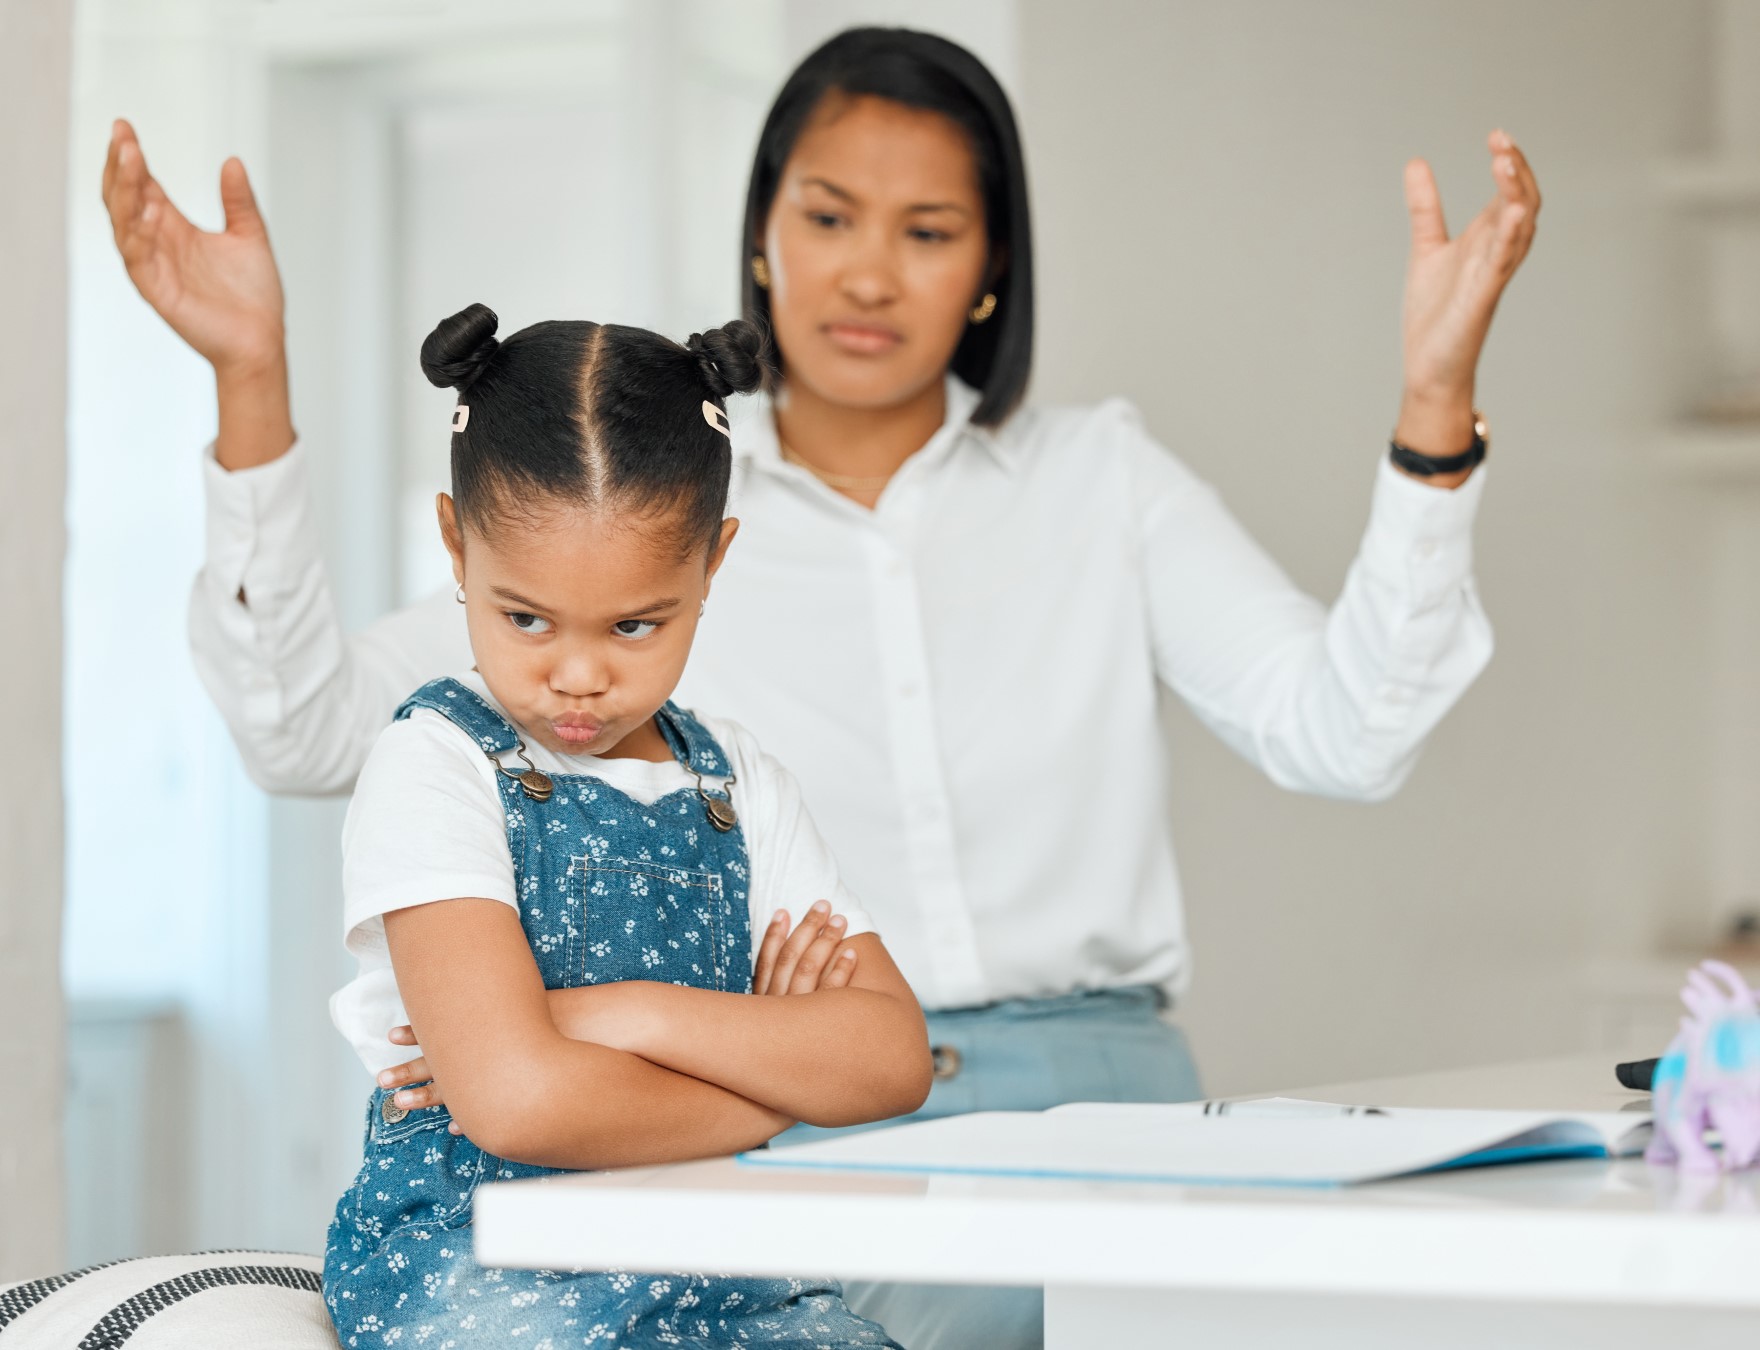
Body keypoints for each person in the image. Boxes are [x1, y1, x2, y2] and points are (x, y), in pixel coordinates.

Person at [101, 27, 1539, 1349]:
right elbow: (300, 725)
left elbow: (1346, 733)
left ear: (990, 268)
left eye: (928, 232)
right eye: (828, 216)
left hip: (1073, 1093)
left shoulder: (1100, 481)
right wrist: (251, 391)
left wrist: (1431, 413)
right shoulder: (607, 525)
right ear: (763, 238)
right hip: (782, 1126)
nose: (867, 273)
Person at [323, 300, 927, 1348]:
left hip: (725, 1265)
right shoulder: (434, 766)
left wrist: (617, 1013)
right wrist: (776, 1089)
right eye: (526, 619)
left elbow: (887, 1060)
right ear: (455, 545)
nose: (579, 675)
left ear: (713, 561)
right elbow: (518, 1105)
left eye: (636, 624)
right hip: (481, 1264)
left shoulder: (739, 783)